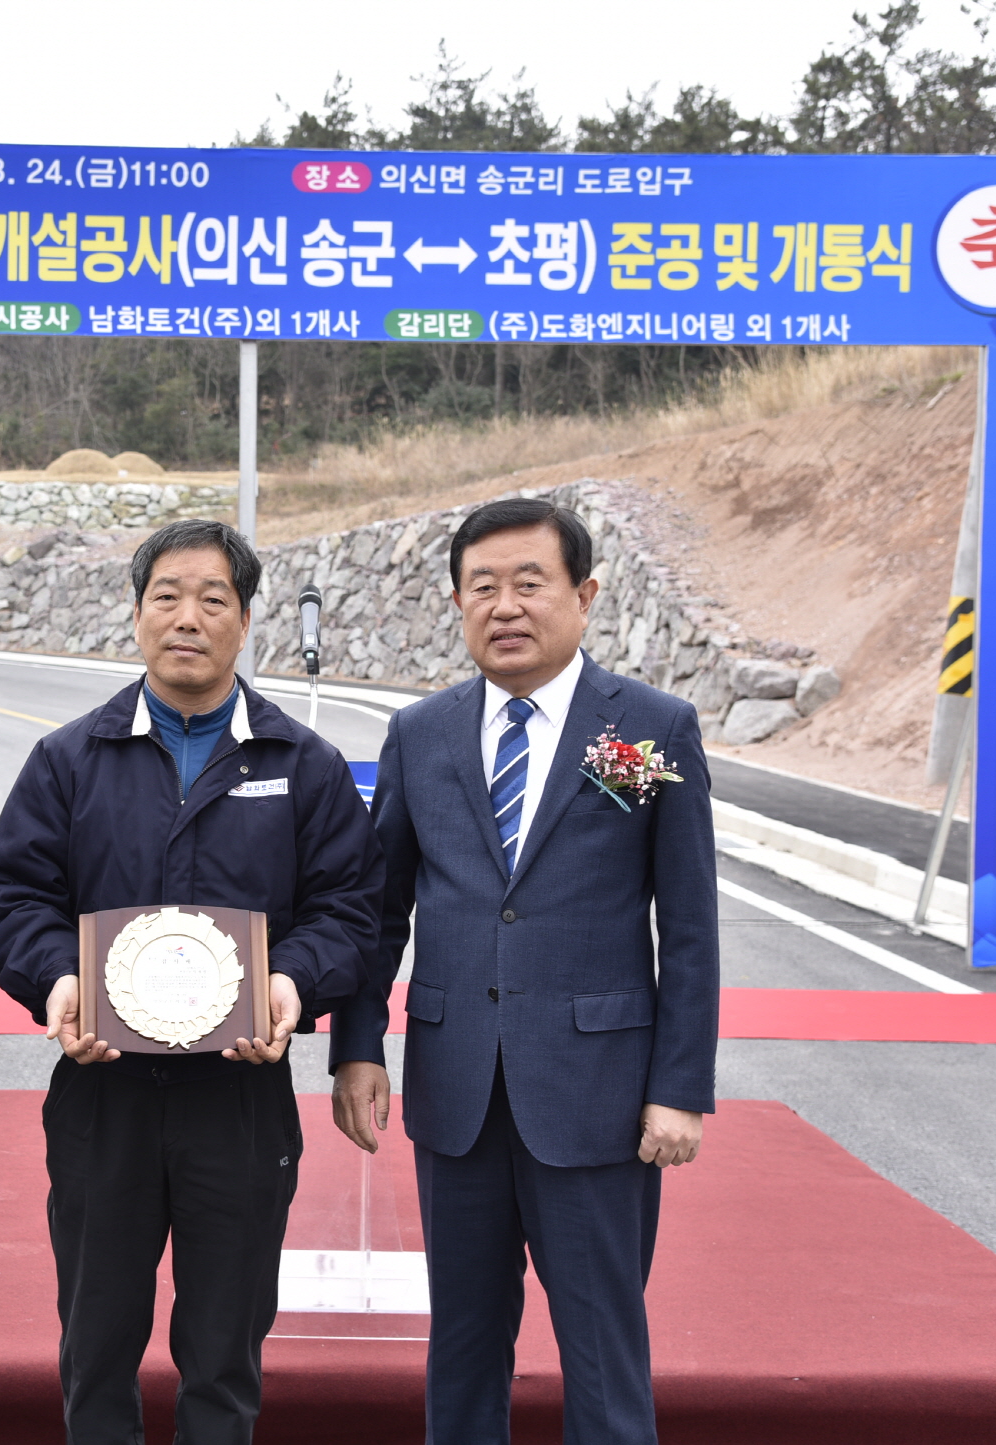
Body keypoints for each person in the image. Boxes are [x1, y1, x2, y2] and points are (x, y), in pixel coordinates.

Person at [0, 517, 384, 1445]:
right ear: (136, 614)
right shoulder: (70, 758)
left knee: (225, 1351)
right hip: (100, 1089)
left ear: (245, 622)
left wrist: (292, 985)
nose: (188, 617)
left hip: (240, 1094)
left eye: (213, 599)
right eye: (167, 595)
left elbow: (349, 908)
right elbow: (11, 893)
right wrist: (54, 981)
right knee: (96, 1344)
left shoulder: (301, 764)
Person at [329, 496, 720, 1445]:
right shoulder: (421, 734)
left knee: (600, 1343)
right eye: (482, 587)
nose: (505, 606)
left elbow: (691, 924)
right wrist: (357, 1046)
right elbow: (381, 912)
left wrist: (679, 1089)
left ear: (583, 596)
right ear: (458, 604)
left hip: (596, 1097)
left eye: (529, 583)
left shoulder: (642, 730)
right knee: (462, 1340)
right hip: (456, 1088)